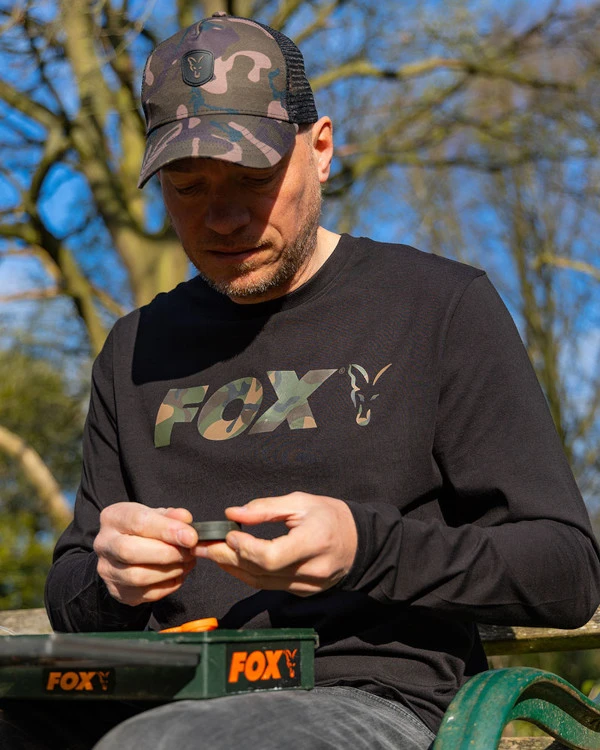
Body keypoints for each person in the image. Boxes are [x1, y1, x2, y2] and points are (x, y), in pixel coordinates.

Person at [4, 11, 598, 750]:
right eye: (188, 187)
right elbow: (72, 598)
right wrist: (111, 579)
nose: (223, 218)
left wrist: (364, 547)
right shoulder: (134, 349)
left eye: (253, 178)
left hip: (369, 701)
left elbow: (566, 571)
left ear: (320, 150)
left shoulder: (437, 307)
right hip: (164, 692)